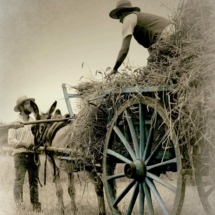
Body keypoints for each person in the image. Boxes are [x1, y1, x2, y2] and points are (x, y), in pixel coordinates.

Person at [107, 0, 171, 77]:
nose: (120, 21)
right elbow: (152, 45)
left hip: (165, 39)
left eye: (119, 17)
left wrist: (115, 68)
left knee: (148, 75)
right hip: (174, 36)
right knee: (163, 70)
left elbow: (124, 50)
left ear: (123, 13)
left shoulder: (128, 19)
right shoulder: (138, 17)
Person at [8, 95, 42, 212]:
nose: (30, 106)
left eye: (31, 103)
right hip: (20, 156)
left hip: (32, 155)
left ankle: (36, 208)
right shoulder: (14, 123)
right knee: (19, 182)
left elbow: (37, 137)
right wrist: (24, 144)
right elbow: (11, 141)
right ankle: (19, 208)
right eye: (27, 103)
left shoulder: (34, 122)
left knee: (34, 182)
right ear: (21, 107)